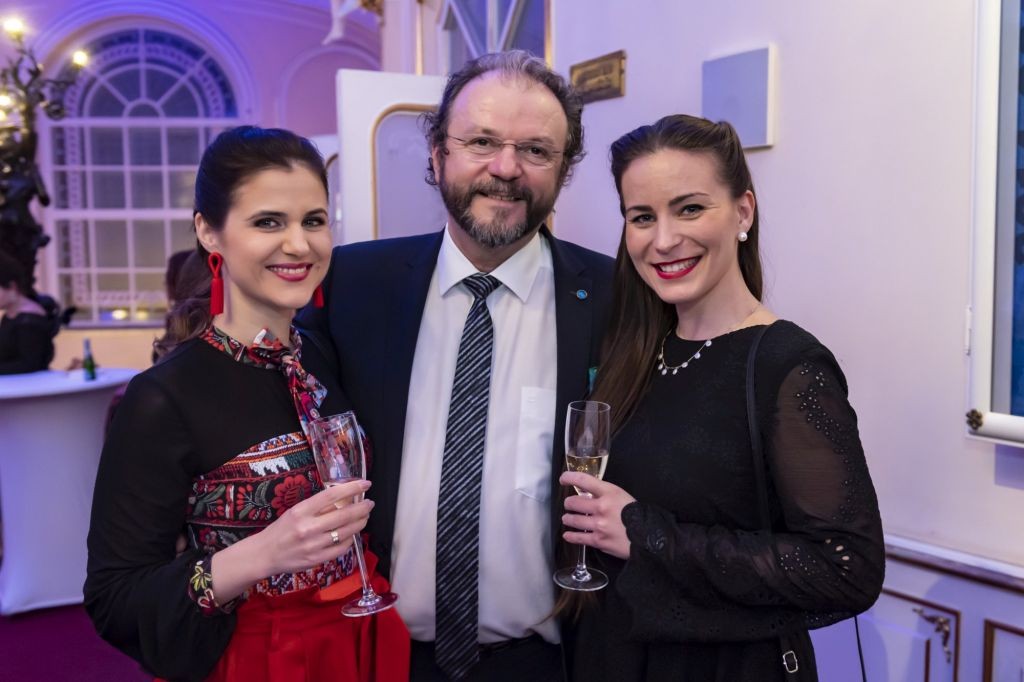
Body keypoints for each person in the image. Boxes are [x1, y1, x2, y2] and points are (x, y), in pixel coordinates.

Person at [297, 50, 614, 681]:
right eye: (482, 142)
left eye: (536, 150)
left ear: (563, 169)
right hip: (382, 657)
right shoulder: (354, 285)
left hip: (544, 664)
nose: (506, 168)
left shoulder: (613, 298)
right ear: (438, 153)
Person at [558, 115, 885, 681]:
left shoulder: (788, 365)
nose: (663, 240)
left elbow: (846, 569)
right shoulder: (636, 349)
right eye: (642, 217)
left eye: (689, 209)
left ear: (743, 212)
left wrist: (645, 534)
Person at [85, 126, 409, 682]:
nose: (299, 245)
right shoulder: (163, 397)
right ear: (208, 232)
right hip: (259, 658)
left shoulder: (324, 357)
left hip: (361, 637)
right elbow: (114, 597)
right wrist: (262, 554)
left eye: (313, 220)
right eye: (268, 222)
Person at [0, 249, 56, 374]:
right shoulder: (10, 315)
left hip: (31, 384)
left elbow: (29, 364)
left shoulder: (29, 319)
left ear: (12, 286)